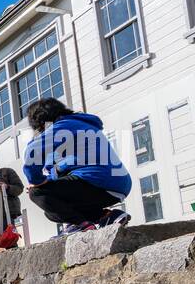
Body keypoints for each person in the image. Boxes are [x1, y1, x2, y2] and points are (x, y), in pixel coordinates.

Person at [22, 98, 132, 233]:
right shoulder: (79, 125)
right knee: (51, 211)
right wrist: (46, 181)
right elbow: (59, 170)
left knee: (38, 193)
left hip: (98, 180)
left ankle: (81, 225)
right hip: (118, 185)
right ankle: (108, 216)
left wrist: (37, 182)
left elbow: (33, 152)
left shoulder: (63, 125)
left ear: (41, 121)